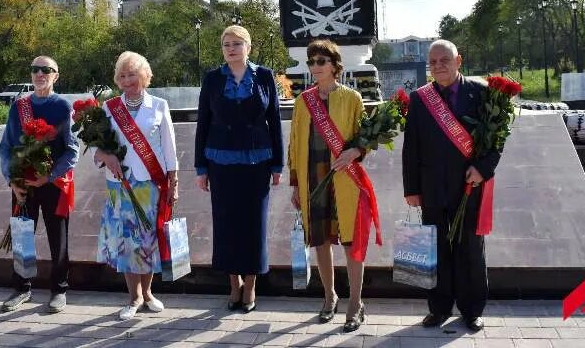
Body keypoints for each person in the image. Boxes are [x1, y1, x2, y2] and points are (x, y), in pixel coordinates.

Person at [402, 39, 501, 332]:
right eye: (432, 62)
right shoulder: (420, 98)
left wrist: (482, 169)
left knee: (470, 248)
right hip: (432, 189)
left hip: (469, 185)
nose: (438, 66)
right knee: (437, 250)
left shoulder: (482, 93)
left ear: (459, 60)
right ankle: (439, 308)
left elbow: (497, 139)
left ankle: (472, 310)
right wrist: (412, 190)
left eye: (444, 60)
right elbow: (412, 148)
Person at [289, 39, 379, 333]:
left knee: (352, 241)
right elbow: (293, 144)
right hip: (313, 178)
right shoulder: (304, 101)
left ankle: (356, 303)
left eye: (321, 62)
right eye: (311, 62)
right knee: (321, 240)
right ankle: (330, 296)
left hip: (345, 180)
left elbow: (365, 136)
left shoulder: (352, 98)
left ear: (335, 65)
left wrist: (355, 151)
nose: (315, 67)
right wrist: (294, 183)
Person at [195, 25, 283, 313]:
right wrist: (201, 168)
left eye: (236, 43)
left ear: (248, 47)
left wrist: (278, 165)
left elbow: (275, 121)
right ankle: (233, 286)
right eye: (226, 44)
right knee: (227, 225)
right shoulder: (212, 79)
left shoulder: (265, 76)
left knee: (254, 225)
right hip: (221, 163)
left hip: (258, 162)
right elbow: (203, 124)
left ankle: (252, 285)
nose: (230, 49)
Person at [93, 51, 179, 321]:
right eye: (123, 75)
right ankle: (134, 297)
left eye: (133, 74)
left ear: (144, 76)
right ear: (118, 79)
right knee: (128, 242)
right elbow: (96, 146)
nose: (128, 79)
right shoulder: (109, 108)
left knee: (147, 240)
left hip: (151, 184)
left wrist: (173, 182)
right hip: (121, 185)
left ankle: (149, 292)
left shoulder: (159, 106)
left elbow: (169, 146)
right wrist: (106, 157)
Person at [0, 56, 79, 313]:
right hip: (24, 183)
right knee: (23, 237)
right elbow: (6, 146)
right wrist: (12, 180)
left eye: (46, 70)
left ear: (56, 75)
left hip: (53, 183)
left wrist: (50, 175)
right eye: (35, 69)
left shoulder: (62, 106)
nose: (40, 74)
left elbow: (72, 150)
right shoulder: (19, 106)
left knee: (59, 239)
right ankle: (22, 288)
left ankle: (59, 290)